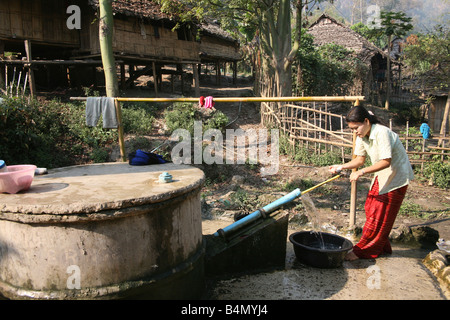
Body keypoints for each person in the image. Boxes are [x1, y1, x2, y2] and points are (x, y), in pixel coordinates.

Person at [329, 105, 414, 261]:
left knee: (379, 214)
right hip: (382, 176)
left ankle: (362, 251)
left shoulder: (381, 133)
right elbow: (359, 160)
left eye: (356, 128)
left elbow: (386, 162)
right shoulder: (363, 136)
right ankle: (381, 246)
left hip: (397, 177)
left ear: (366, 121)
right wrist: (341, 166)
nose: (355, 132)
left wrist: (360, 173)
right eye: (352, 129)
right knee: (370, 207)